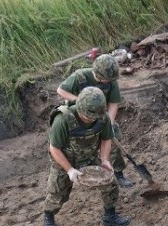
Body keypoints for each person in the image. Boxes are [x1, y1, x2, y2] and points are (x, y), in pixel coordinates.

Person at [43, 86, 131, 226]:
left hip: (89, 157)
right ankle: (48, 216)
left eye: (93, 117)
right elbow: (54, 149)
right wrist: (69, 170)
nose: (90, 119)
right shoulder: (62, 119)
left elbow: (106, 139)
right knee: (57, 192)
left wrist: (104, 160)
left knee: (110, 183)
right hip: (64, 160)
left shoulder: (102, 117)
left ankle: (109, 215)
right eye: (87, 116)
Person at [56, 54, 134, 188]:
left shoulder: (111, 81)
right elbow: (61, 90)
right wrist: (80, 102)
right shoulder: (79, 77)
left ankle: (118, 172)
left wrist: (108, 124)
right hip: (78, 117)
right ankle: (71, 169)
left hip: (100, 117)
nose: (107, 82)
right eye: (104, 79)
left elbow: (113, 104)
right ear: (96, 73)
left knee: (114, 135)